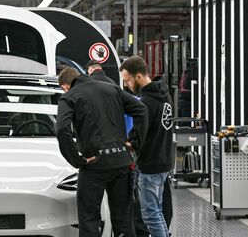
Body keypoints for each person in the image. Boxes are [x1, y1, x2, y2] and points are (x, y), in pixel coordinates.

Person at [55, 66, 148, 237]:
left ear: (65, 86)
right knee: (124, 221)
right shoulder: (111, 88)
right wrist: (134, 143)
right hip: (121, 162)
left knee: (90, 221)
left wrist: (77, 160)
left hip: (94, 166)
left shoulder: (69, 97)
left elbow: (61, 129)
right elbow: (141, 109)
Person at [120, 57, 174, 237]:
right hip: (164, 161)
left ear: (138, 77)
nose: (126, 85)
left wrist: (127, 143)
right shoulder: (164, 94)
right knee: (158, 212)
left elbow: (138, 135)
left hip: (150, 165)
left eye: (127, 80)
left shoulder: (145, 102)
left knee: (150, 215)